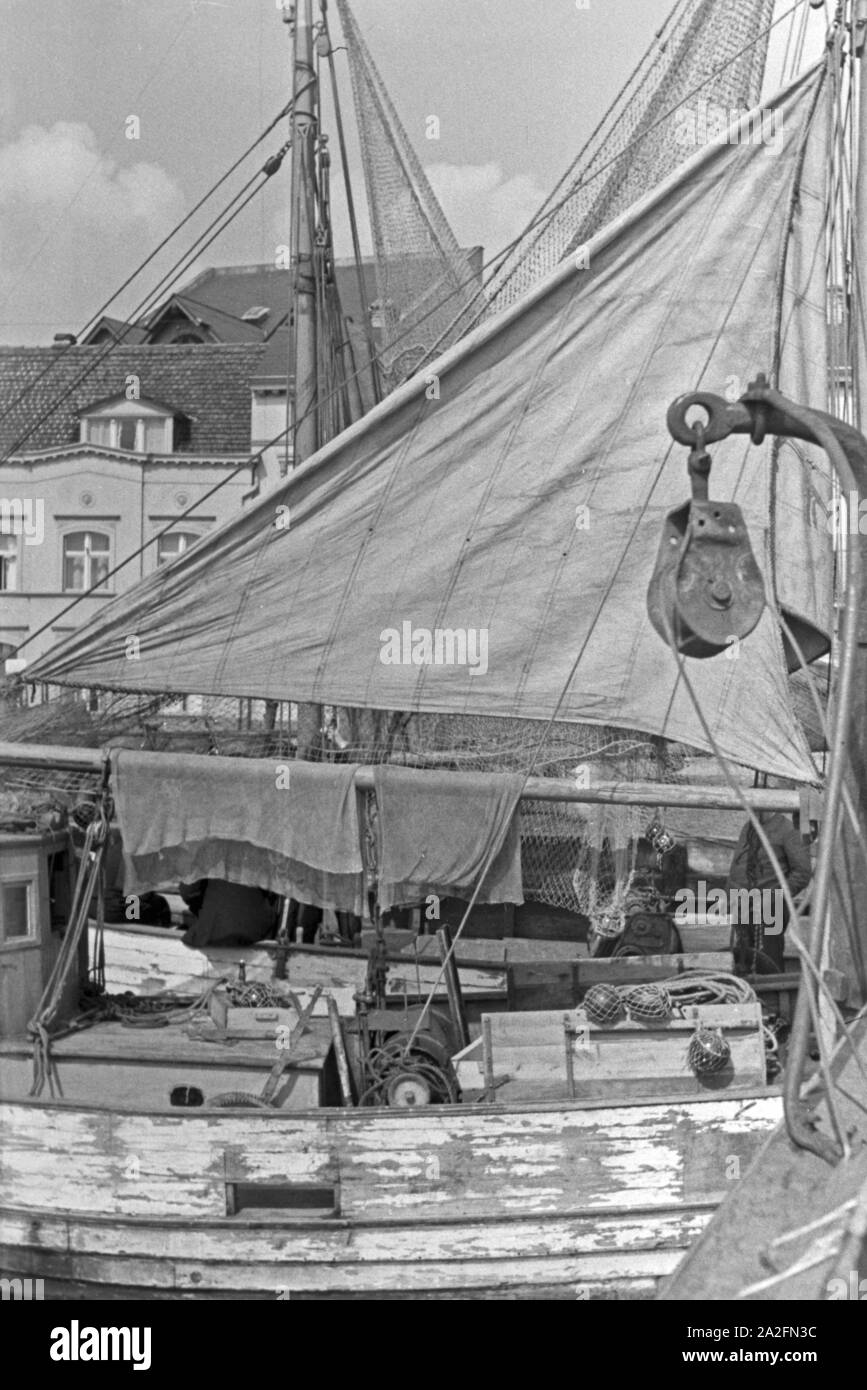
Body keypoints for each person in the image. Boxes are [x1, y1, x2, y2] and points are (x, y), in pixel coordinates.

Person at [727, 810, 812, 973]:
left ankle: (775, 995)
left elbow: (802, 873)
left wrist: (772, 898)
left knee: (769, 959)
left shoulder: (789, 830)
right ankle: (746, 993)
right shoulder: (748, 828)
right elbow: (737, 864)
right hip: (743, 905)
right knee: (743, 958)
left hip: (771, 908)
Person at [179, 879, 280, 949]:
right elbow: (274, 891)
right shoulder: (261, 851)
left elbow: (187, 892)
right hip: (256, 929)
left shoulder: (208, 850)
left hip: (214, 929)